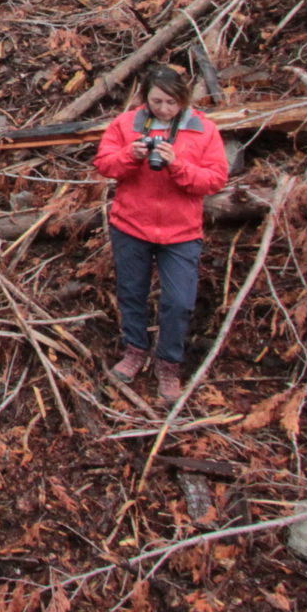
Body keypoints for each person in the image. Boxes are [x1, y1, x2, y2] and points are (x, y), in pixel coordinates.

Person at [92, 65, 229, 401]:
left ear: (182, 99)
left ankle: (168, 363)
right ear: (145, 98)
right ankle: (135, 350)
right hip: (131, 226)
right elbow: (104, 164)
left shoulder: (203, 130)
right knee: (131, 292)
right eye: (156, 101)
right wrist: (130, 155)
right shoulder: (127, 125)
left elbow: (215, 180)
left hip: (181, 231)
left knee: (179, 302)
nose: (164, 109)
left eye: (170, 102)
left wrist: (177, 164)